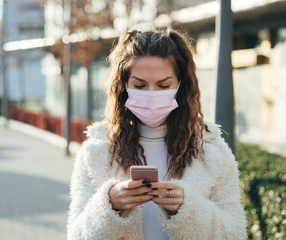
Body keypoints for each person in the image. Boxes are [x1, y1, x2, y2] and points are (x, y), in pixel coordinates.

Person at [67, 29, 247, 240]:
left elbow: (235, 234)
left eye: (163, 85)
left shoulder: (212, 152)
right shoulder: (96, 152)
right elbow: (76, 235)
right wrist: (110, 205)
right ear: (124, 86)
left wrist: (188, 209)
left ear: (180, 86)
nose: (151, 94)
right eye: (139, 85)